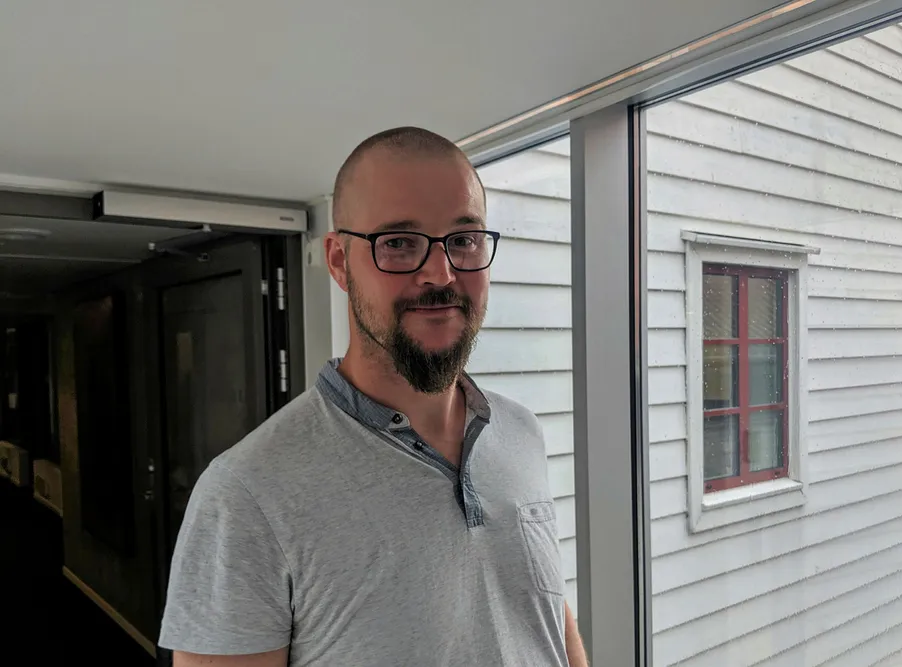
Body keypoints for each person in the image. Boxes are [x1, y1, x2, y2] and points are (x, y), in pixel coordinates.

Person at [158, 126, 589, 667]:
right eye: (399, 243)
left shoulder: (521, 431)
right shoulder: (246, 495)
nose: (441, 274)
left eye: (463, 240)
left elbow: (546, 617)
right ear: (339, 262)